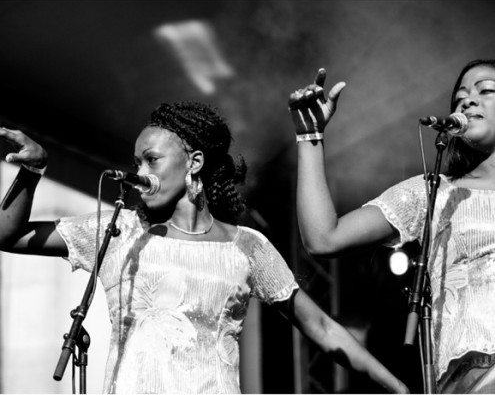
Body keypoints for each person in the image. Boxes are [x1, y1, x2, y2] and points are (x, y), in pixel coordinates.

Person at [0, 101, 408, 394]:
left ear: (193, 162)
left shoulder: (247, 247)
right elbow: (10, 235)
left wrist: (398, 389)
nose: (139, 172)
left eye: (151, 160)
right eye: (136, 162)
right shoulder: (121, 230)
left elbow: (319, 327)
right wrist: (32, 172)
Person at [288, 58, 495, 393]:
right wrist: (310, 137)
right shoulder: (434, 192)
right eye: (459, 98)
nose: (468, 101)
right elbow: (323, 239)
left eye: (486, 91)